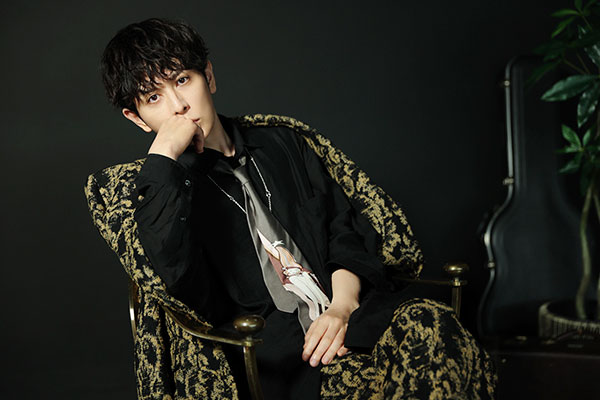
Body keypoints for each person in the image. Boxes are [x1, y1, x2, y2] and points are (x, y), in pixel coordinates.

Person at [96, 17, 496, 400]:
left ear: (209, 77)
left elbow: (342, 229)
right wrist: (165, 153)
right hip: (278, 355)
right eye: (153, 97)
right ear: (137, 118)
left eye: (183, 80)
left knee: (433, 325)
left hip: (351, 313)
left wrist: (342, 307)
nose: (179, 105)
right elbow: (175, 276)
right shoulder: (160, 193)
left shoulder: (283, 142)